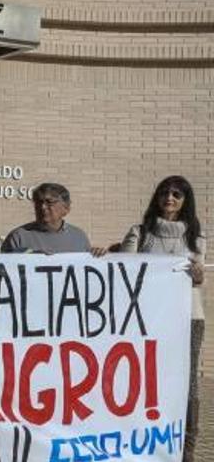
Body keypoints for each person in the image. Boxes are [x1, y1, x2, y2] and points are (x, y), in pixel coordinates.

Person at [119, 176, 205, 462]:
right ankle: (145, 443)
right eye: (165, 193)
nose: (170, 198)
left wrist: (197, 275)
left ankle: (186, 449)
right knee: (146, 380)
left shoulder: (196, 235)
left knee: (187, 384)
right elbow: (125, 271)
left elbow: (197, 280)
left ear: (185, 200)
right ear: (157, 197)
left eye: (177, 194)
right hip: (148, 319)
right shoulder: (140, 232)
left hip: (187, 318)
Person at [1, 183, 91, 254]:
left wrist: (99, 256)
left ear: (66, 208)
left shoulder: (79, 237)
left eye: (49, 202)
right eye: (38, 202)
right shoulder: (18, 237)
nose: (43, 207)